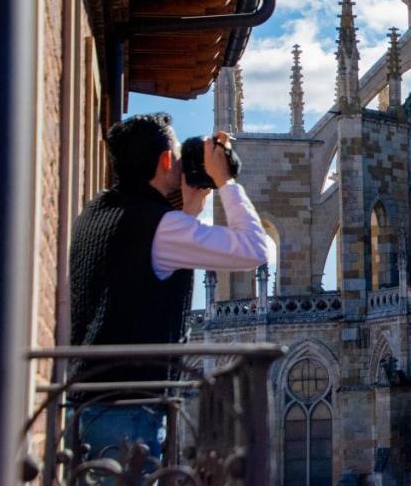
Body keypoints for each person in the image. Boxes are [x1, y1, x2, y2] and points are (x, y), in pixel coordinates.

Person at [68, 112, 274, 466]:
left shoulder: (95, 213)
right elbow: (256, 250)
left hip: (85, 401)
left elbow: (139, 268)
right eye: (178, 155)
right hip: (130, 407)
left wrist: (188, 213)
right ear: (165, 160)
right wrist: (225, 181)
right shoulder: (159, 227)